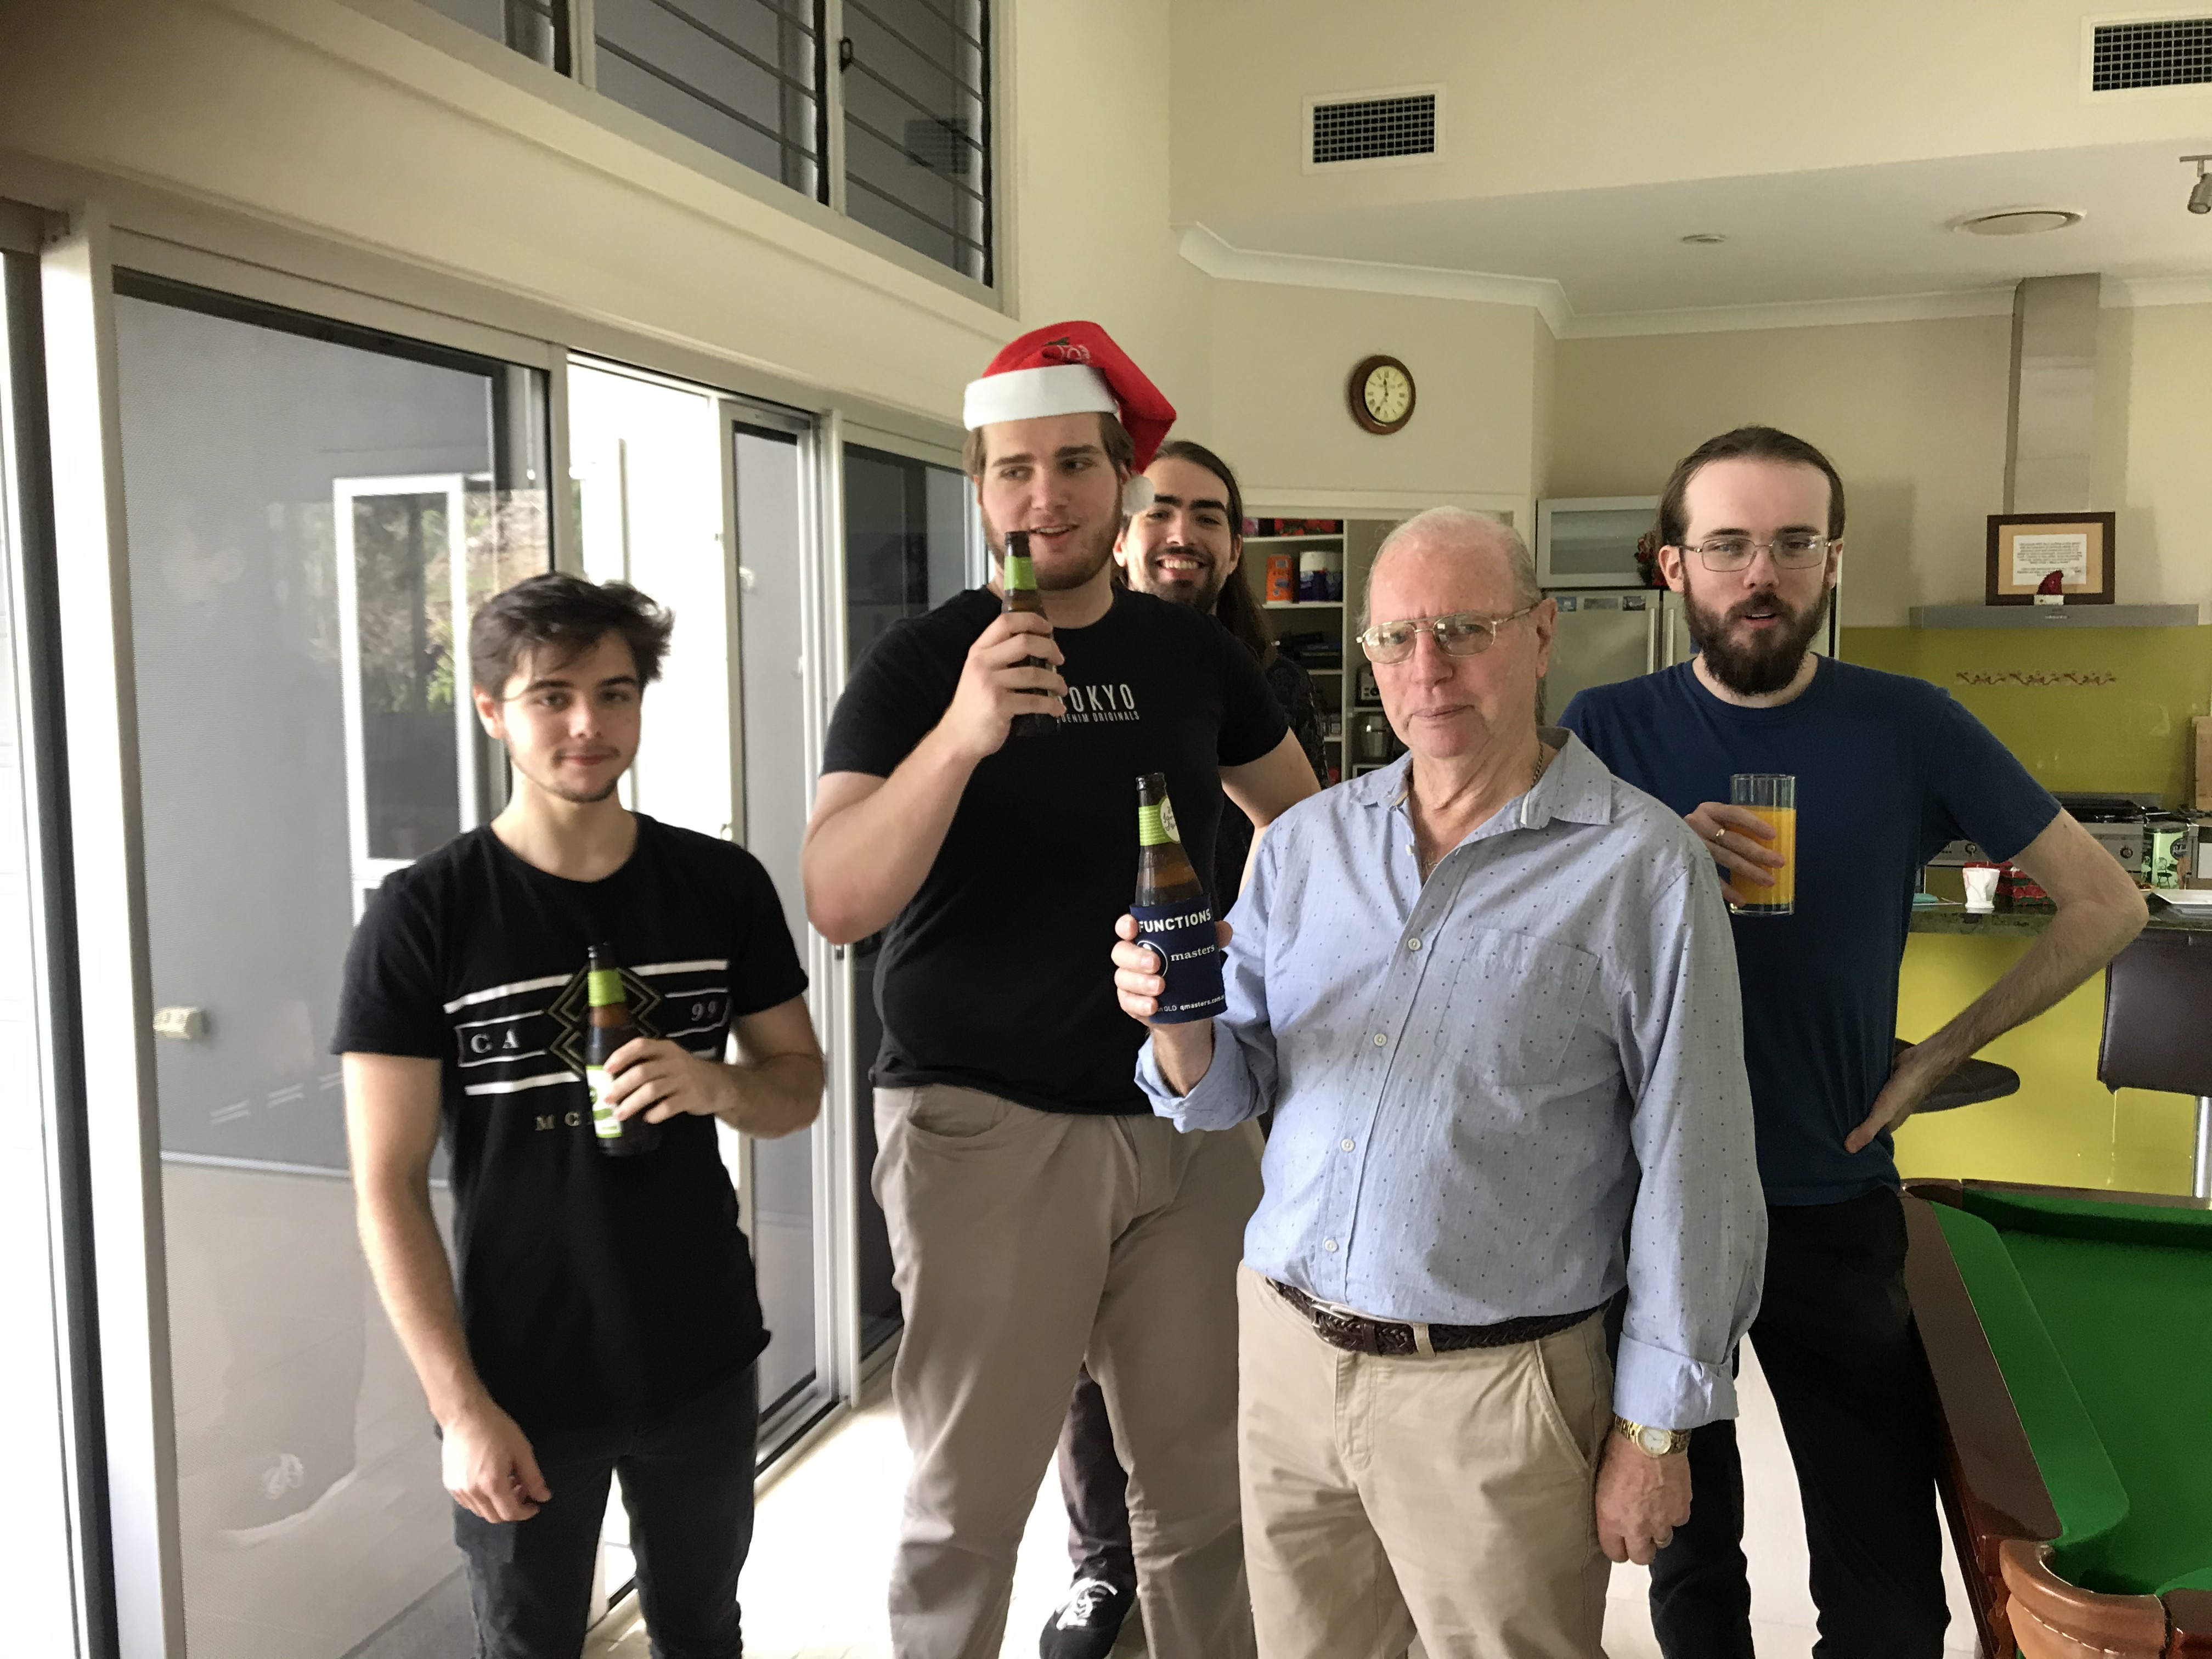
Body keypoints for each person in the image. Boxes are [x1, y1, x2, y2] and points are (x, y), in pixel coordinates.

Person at [1117, 507, 1768, 1659]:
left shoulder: (1643, 868)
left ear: (1541, 633)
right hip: (1290, 1362)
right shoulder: (1305, 845)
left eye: (1466, 629)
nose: (1429, 668)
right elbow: (1227, 1091)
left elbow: (1698, 1163)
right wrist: (1175, 1023)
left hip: (1497, 1394)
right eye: (1397, 637)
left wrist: (1655, 1432)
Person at [1556, 426, 2147, 1658]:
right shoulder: (1603, 729)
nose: (1760, 575)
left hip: (1833, 1197)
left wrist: (1932, 1058)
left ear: (1833, 560)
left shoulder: (1910, 723)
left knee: (1889, 1600)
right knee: (1691, 1568)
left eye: (1792, 544)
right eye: (1728, 545)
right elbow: (1517, 934)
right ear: (1674, 565)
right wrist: (1645, 854)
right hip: (1649, 1209)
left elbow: (2108, 903)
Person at [804, 321, 1319, 1659]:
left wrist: (1253, 952)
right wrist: (962, 736)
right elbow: (839, 897)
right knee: (967, 1507)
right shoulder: (922, 665)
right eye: (1016, 470)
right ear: (980, 487)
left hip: (1188, 1126)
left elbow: (1305, 827)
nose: (1048, 497)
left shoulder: (1192, 656)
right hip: (984, 1129)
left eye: (1077, 465)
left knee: (1210, 1496)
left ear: (1120, 480)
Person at [337, 573, 825, 1659]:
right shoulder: (425, 915)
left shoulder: (720, 885)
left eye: (614, 693)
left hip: (701, 1349)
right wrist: (460, 1408)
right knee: (530, 1644)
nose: (585, 725)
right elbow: (386, 1184)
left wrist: (716, 1085)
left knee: (703, 1630)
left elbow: (799, 1084)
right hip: (520, 1371)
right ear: (491, 711)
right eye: (550, 696)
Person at [1034, 439, 1330, 1659]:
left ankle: (1224, 1547)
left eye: (1210, 516)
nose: (1183, 534)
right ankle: (1102, 1566)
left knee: (1207, 1335)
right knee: (1078, 1340)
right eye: (1161, 511)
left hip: (1223, 1046)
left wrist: (1241, 945)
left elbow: (1307, 832)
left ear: (1235, 542)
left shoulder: (1264, 679)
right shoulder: (1050, 661)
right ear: (1118, 527)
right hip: (1064, 1047)